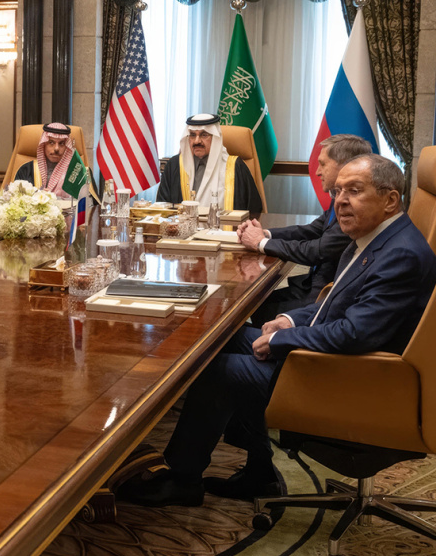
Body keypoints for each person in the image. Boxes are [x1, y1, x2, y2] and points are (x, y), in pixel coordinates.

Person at [121, 154, 436, 507]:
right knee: (219, 341)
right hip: (342, 359)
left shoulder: (400, 255)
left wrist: (281, 340)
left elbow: (354, 334)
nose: (340, 201)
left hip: (355, 379)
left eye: (354, 190)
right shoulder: (374, 237)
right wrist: (290, 320)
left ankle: (182, 479)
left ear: (390, 200)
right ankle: (259, 471)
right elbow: (339, 303)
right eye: (337, 191)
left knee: (216, 370)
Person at [237, 134, 373, 324]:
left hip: (322, 297)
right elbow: (311, 229)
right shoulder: (339, 197)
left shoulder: (355, 208)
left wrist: (261, 243)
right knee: (251, 303)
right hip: (311, 284)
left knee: (247, 310)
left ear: (345, 166)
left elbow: (317, 251)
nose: (317, 172)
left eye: (323, 164)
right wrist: (266, 234)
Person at [156, 113, 263, 215]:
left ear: (216, 138)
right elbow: (162, 207)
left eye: (204, 135)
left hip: (224, 228)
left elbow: (254, 209)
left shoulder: (235, 167)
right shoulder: (174, 166)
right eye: (192, 135)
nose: (197, 141)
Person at [14, 123, 76, 199]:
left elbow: (85, 201)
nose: (56, 148)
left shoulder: (75, 172)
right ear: (43, 145)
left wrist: (54, 198)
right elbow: (15, 198)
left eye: (61, 143)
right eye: (51, 142)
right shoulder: (26, 170)